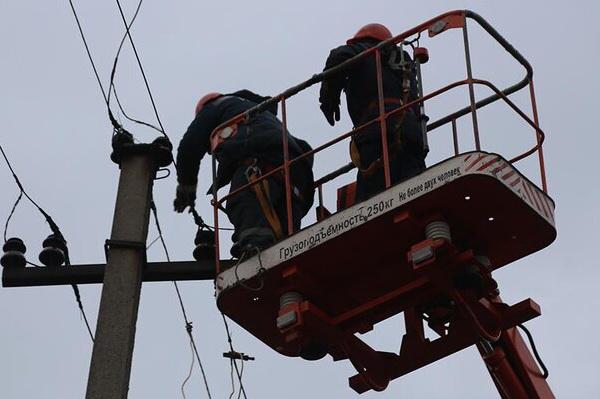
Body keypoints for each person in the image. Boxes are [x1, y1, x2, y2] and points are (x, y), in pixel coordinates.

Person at [174, 89, 314, 257]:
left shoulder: (215, 106)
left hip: (260, 162)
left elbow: (189, 147)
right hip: (297, 175)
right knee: (286, 233)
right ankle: (288, 251)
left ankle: (255, 250)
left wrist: (186, 188)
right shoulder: (262, 116)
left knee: (241, 199)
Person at [319, 23, 427, 201]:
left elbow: (338, 56)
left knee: (370, 200)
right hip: (410, 132)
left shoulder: (364, 50)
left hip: (376, 132)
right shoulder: (403, 63)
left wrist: (328, 96)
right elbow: (415, 101)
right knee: (417, 190)